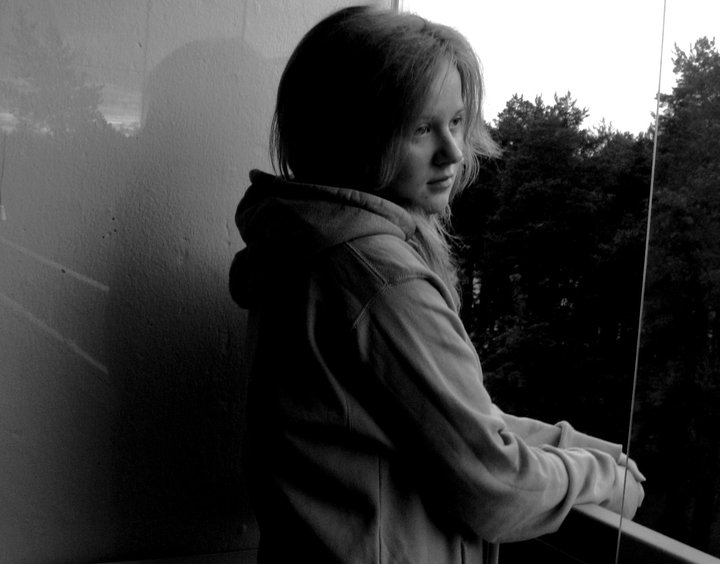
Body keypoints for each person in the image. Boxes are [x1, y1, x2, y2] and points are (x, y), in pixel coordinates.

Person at [229, 5, 645, 563]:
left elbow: (453, 420)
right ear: (351, 136)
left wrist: (583, 449)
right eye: (421, 129)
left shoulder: (309, 248)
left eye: (456, 122)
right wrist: (604, 479)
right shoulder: (379, 280)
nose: (454, 152)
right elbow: (495, 486)